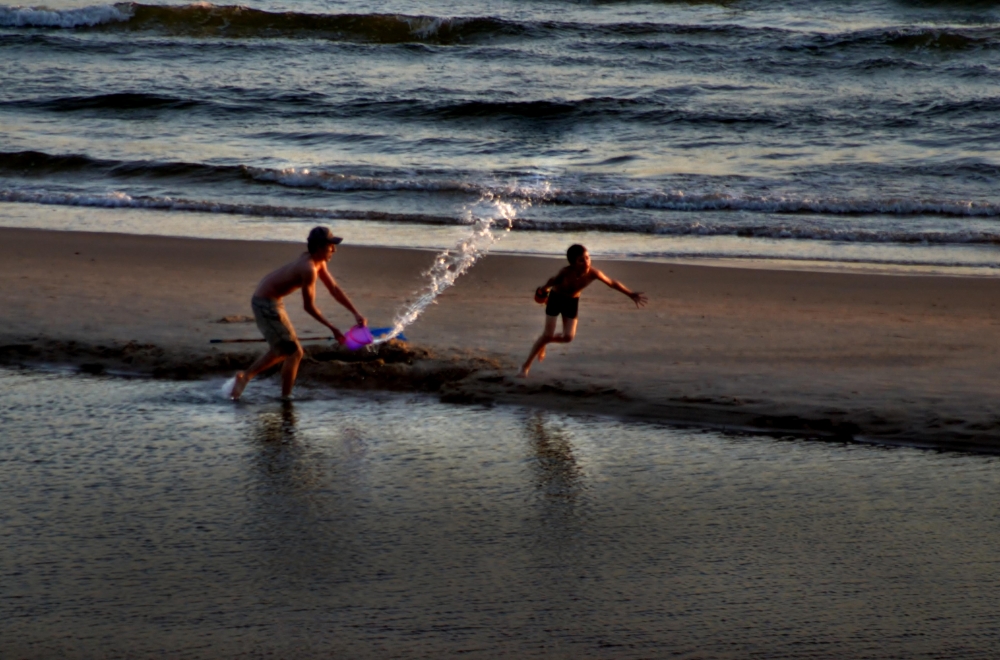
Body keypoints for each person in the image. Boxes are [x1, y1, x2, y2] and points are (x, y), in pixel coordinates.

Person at [229, 226, 367, 400]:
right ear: (318, 247)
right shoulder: (308, 269)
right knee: (292, 352)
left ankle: (269, 388)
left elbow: (334, 289)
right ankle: (270, 390)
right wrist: (333, 329)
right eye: (330, 245)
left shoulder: (317, 261)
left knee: (288, 351)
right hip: (265, 304)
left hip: (273, 301)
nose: (334, 249)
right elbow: (308, 307)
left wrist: (355, 313)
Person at [518, 244, 647, 378]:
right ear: (573, 263)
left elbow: (612, 282)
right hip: (556, 299)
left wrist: (630, 294)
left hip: (572, 302)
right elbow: (553, 280)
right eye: (581, 260)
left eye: (587, 257)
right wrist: (543, 291)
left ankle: (545, 341)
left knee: (568, 337)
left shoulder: (593, 273)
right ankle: (525, 366)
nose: (586, 262)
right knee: (548, 333)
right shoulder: (565, 272)